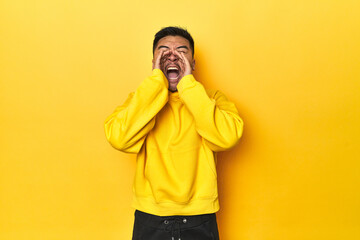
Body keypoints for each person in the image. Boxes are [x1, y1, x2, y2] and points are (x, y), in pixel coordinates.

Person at [104, 26, 244, 240]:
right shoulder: (140, 100)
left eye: (181, 51)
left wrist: (188, 85)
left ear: (193, 63)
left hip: (200, 216)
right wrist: (155, 83)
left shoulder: (212, 99)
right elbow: (119, 138)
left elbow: (228, 138)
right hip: (150, 216)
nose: (172, 56)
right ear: (153, 63)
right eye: (163, 51)